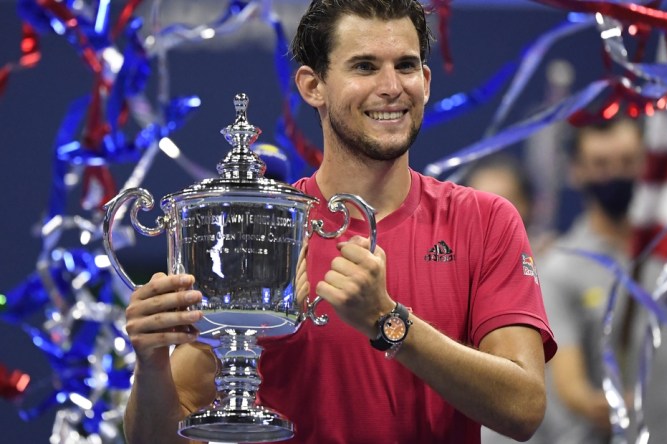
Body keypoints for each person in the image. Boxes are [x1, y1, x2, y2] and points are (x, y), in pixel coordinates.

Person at [122, 1, 556, 444]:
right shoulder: (264, 234)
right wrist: (151, 362)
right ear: (314, 86)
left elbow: (523, 409)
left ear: (425, 82)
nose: (391, 87)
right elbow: (159, 438)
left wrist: (387, 321)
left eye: (405, 66)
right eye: (364, 67)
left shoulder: (485, 221)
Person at [528, 117, 645, 444]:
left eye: (626, 162)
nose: (615, 174)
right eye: (600, 164)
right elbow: (572, 387)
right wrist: (626, 408)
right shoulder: (559, 267)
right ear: (576, 171)